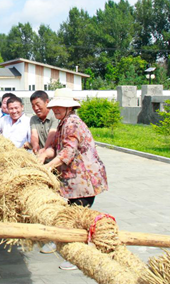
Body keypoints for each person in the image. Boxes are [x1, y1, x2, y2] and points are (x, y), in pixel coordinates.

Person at [37, 88, 108, 270]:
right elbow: (56, 148)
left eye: (60, 106)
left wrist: (47, 167)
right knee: (67, 213)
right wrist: (43, 156)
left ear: (69, 107)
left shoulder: (73, 123)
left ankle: (79, 255)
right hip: (71, 180)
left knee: (77, 218)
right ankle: (60, 242)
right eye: (55, 106)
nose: (56, 109)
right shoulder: (63, 123)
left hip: (83, 181)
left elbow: (68, 151)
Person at [28, 91, 59, 155]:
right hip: (41, 157)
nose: (36, 108)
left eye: (38, 104)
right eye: (33, 105)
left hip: (55, 156)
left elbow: (52, 133)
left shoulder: (55, 116)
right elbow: (34, 134)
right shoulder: (33, 119)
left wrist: (45, 148)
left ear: (47, 102)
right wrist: (35, 145)